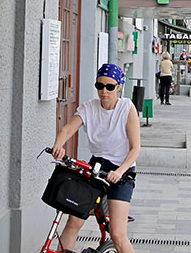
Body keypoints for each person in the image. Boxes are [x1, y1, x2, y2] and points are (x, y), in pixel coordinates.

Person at [52, 63, 139, 253]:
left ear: (118, 87)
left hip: (122, 171)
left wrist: (119, 171)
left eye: (109, 86)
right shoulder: (89, 108)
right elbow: (67, 129)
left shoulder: (126, 108)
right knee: (74, 220)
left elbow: (135, 149)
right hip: (97, 167)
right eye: (99, 86)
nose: (104, 91)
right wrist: (58, 145)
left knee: (117, 234)